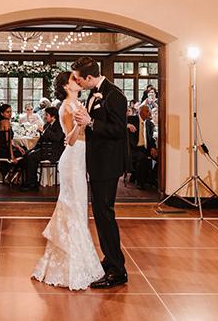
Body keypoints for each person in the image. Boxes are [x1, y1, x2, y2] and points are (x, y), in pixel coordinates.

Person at [32, 73, 105, 289]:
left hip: (81, 160)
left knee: (79, 209)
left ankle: (78, 261)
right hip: (72, 160)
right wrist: (80, 125)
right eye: (74, 80)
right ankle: (71, 267)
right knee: (73, 210)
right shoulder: (65, 107)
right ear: (66, 85)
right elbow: (70, 140)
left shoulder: (78, 104)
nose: (79, 81)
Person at [71, 56, 128, 289]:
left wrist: (91, 122)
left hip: (108, 164)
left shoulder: (115, 95)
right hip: (97, 162)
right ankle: (111, 260)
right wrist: (85, 121)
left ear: (90, 77)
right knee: (101, 214)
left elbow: (118, 130)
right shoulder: (94, 93)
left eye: (78, 78)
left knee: (105, 214)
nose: (76, 82)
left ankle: (117, 270)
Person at [22, 106, 64, 191]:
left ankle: (33, 184)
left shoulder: (59, 125)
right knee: (26, 154)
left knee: (32, 157)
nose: (44, 116)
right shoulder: (47, 125)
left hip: (53, 152)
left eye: (46, 115)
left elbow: (57, 138)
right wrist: (31, 149)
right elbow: (41, 140)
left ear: (53, 116)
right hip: (45, 150)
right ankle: (28, 181)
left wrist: (45, 131)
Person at [0, 103, 26, 184]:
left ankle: (10, 174)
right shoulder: (5, 122)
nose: (9, 114)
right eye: (7, 112)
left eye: (10, 111)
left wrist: (17, 147)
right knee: (26, 153)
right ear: (2, 113)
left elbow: (6, 141)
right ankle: (12, 176)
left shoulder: (0, 121)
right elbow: (8, 142)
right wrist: (12, 156)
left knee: (22, 149)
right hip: (3, 151)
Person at [129, 105, 157, 190]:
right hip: (134, 148)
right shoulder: (132, 119)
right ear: (141, 112)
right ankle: (141, 183)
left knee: (161, 158)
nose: (149, 113)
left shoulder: (149, 123)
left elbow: (151, 138)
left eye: (149, 111)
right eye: (147, 111)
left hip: (145, 148)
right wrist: (128, 125)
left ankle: (151, 179)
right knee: (143, 158)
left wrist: (153, 147)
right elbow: (121, 123)